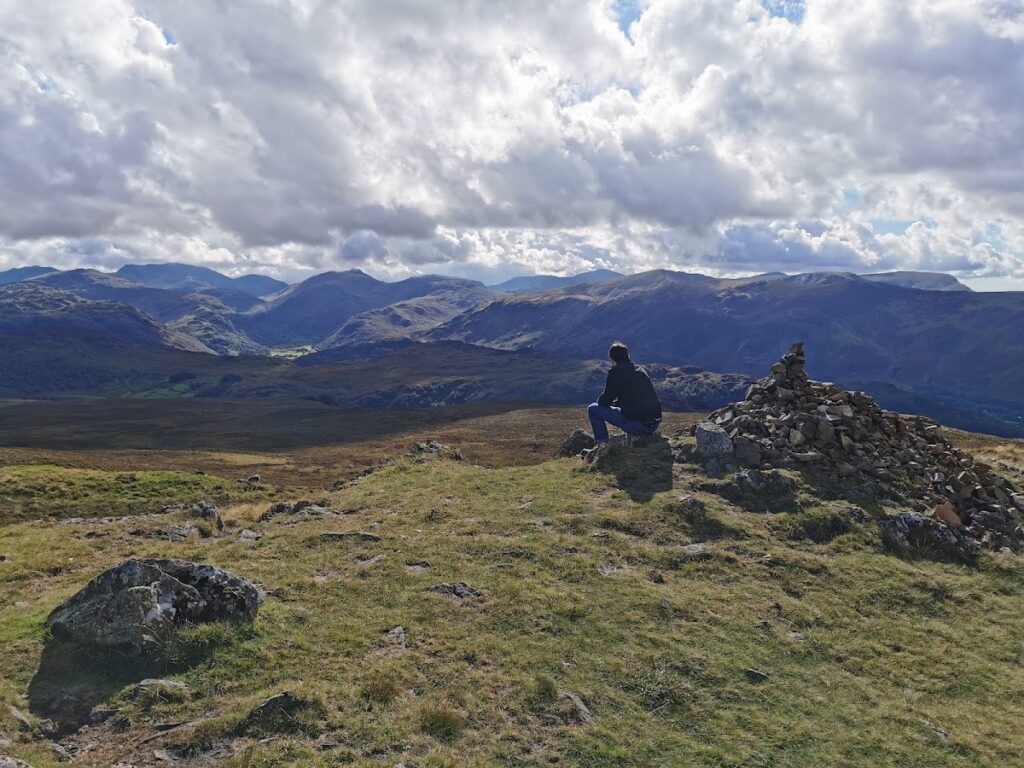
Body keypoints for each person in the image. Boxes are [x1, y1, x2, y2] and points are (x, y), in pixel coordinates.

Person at [588, 342, 662, 445]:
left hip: (639, 425)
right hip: (654, 423)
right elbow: (636, 398)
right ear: (628, 356)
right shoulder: (640, 370)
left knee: (592, 409)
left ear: (612, 358)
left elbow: (603, 401)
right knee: (622, 411)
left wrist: (610, 403)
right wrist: (617, 403)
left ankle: (602, 445)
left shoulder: (616, 373)